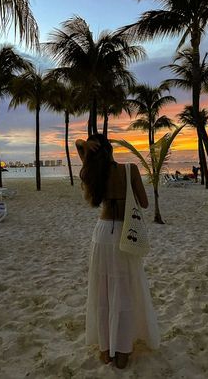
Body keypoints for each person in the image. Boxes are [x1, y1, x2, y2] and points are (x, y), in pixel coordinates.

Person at [75, 134, 160, 369]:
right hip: (125, 233)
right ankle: (122, 352)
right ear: (111, 149)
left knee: (102, 293)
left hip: (102, 234)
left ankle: (105, 350)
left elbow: (78, 146)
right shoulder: (129, 170)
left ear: (92, 153)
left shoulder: (92, 173)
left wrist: (83, 143)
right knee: (123, 292)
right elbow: (143, 203)